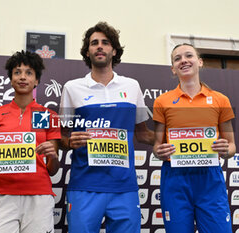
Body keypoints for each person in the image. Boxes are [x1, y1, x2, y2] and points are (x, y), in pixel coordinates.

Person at [59, 22, 154, 233]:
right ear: (87, 51)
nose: (99, 47)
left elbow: (143, 134)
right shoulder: (72, 88)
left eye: (105, 42)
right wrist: (69, 142)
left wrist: (173, 140)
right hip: (84, 186)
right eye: (94, 43)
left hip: (124, 188)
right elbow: (61, 137)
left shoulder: (132, 86)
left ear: (114, 50)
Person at [0, 50, 61, 233]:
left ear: (36, 81)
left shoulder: (48, 115)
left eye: (29, 73)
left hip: (39, 194)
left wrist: (53, 156)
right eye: (17, 72)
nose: (23, 77)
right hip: (2, 194)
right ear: (11, 79)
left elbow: (53, 170)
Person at [153, 43, 235, 233]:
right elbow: (157, 147)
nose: (184, 60)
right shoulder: (162, 101)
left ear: (199, 61)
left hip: (209, 177)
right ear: (173, 69)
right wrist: (159, 151)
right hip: (175, 178)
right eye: (177, 58)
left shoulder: (220, 100)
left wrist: (226, 149)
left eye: (188, 55)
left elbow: (231, 147)